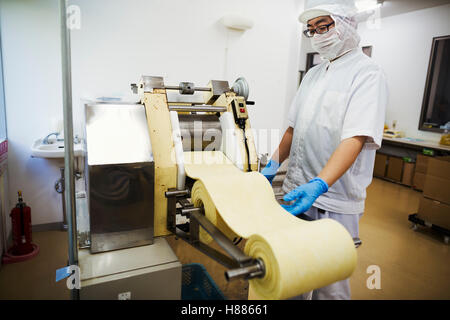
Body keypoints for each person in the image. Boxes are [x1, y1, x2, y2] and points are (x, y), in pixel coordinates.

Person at [261, 0, 388, 300]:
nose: (318, 35)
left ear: (347, 24)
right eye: (312, 30)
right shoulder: (314, 75)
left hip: (335, 199)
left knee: (330, 284)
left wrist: (320, 184)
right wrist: (272, 165)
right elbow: (294, 127)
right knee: (294, 273)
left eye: (324, 26)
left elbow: (355, 139)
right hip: (296, 190)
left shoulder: (367, 74)